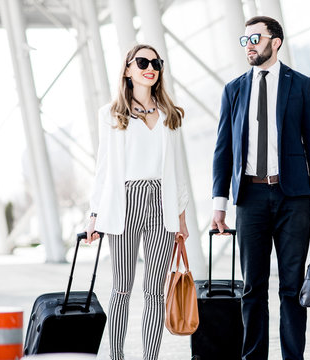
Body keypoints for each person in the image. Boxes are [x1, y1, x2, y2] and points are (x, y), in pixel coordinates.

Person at [211, 16, 310, 360]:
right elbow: (223, 150)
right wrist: (219, 202)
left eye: (255, 39)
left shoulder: (300, 84)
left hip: (292, 196)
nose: (249, 45)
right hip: (249, 198)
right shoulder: (233, 89)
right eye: (244, 40)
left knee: (292, 288)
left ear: (275, 42)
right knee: (252, 289)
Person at [84, 44, 189, 360]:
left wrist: (181, 220)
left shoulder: (170, 115)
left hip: (161, 200)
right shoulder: (111, 114)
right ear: (128, 69)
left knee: (155, 291)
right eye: (142, 61)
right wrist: (94, 214)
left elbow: (177, 170)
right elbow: (103, 168)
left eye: (156, 62)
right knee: (122, 287)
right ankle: (116, 356)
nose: (151, 67)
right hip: (124, 201)